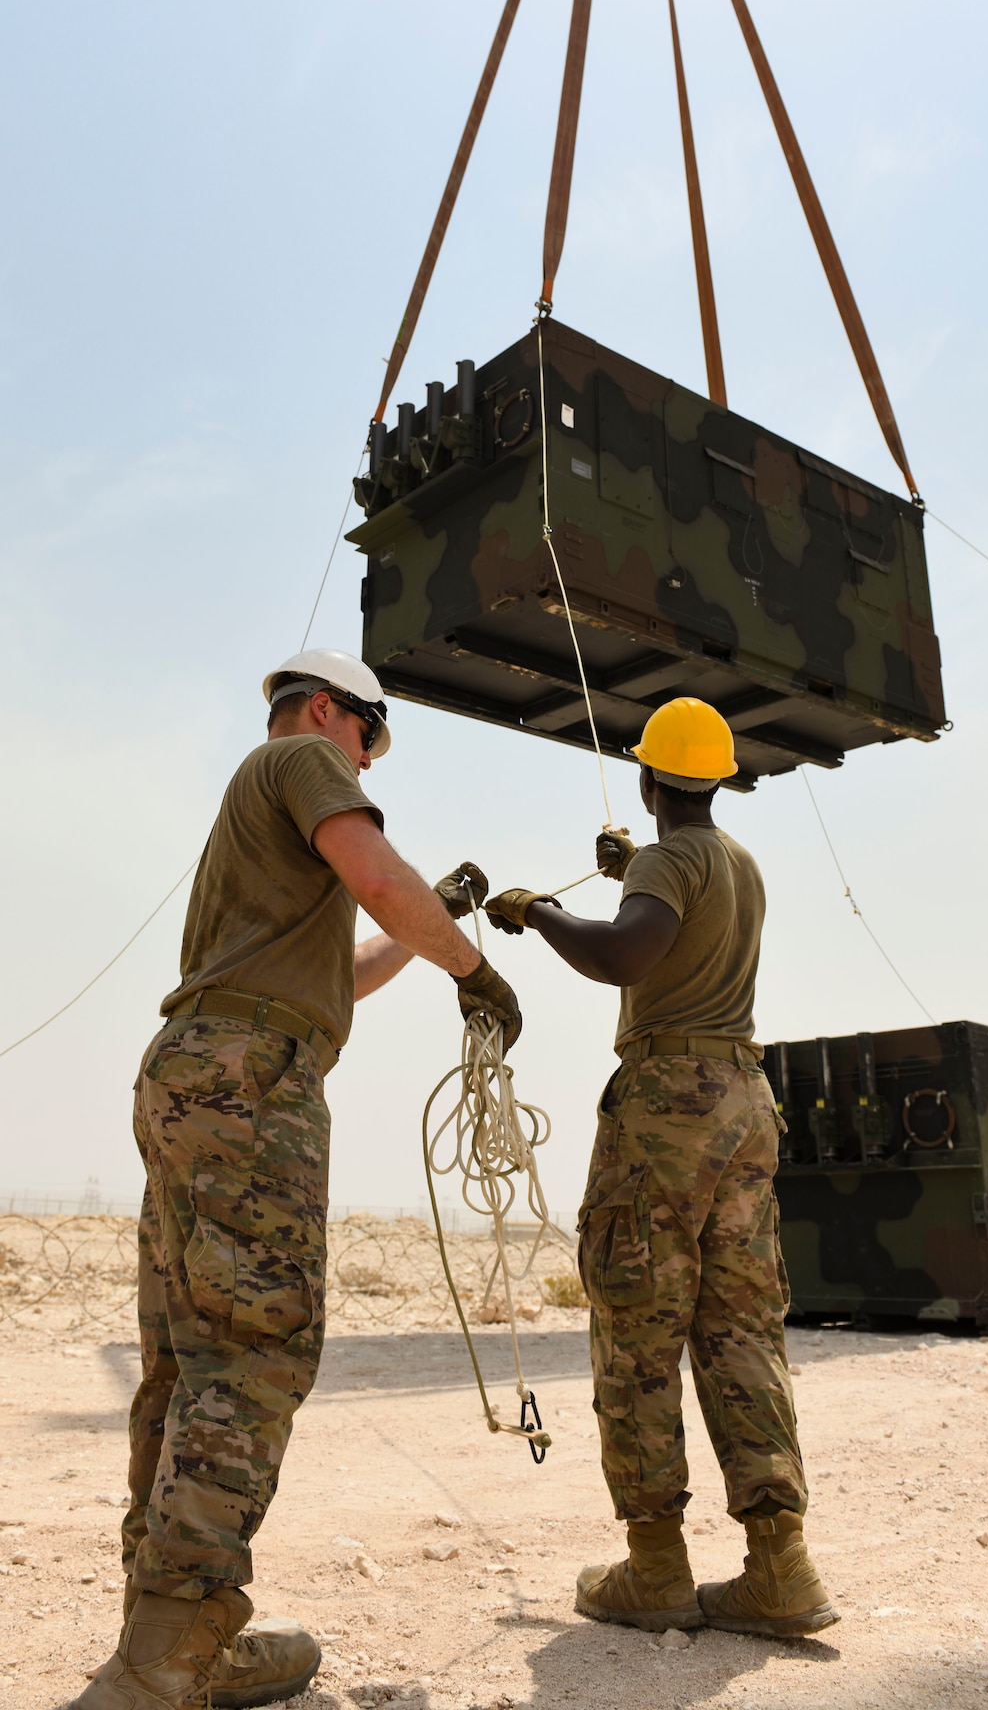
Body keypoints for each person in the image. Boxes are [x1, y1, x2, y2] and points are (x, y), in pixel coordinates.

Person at [72, 649, 519, 1710]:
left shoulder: (262, 836)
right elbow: (375, 870)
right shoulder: (300, 763)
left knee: (188, 1360)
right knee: (256, 1347)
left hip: (198, 1070)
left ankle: (169, 1627)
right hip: (250, 1080)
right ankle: (171, 1648)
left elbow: (341, 974)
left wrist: (433, 926)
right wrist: (477, 968)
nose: (367, 762)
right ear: (326, 709)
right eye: (369, 735)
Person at [484, 697, 837, 1639]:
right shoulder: (735, 863)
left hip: (669, 1105)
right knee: (740, 1330)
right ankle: (780, 1566)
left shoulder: (668, 861)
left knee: (638, 1326)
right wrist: (628, 868)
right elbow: (672, 912)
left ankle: (655, 1568)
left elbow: (626, 950)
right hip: (744, 1103)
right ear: (716, 780)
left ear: (647, 780)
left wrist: (542, 913)